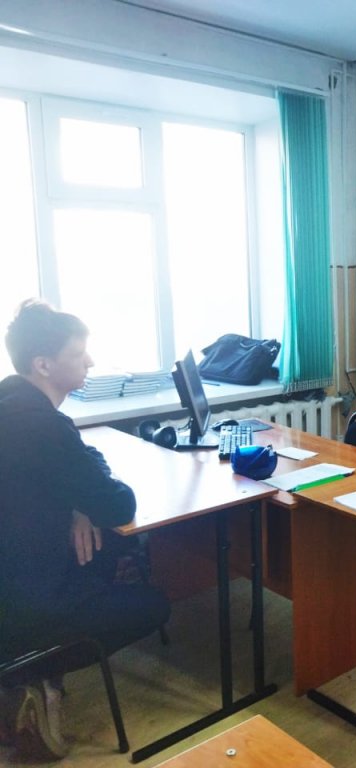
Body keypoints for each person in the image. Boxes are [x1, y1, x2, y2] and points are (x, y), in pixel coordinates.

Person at [0, 299, 170, 760]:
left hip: (10, 581)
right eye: (78, 354)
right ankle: (33, 673)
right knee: (155, 604)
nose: (90, 362)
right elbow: (119, 503)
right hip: (28, 602)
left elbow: (82, 462)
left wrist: (78, 504)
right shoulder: (44, 426)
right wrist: (88, 501)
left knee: (106, 548)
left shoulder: (11, 403)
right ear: (43, 364)